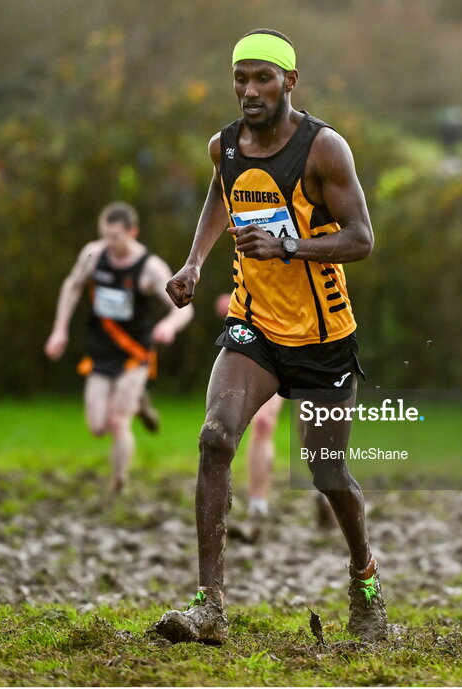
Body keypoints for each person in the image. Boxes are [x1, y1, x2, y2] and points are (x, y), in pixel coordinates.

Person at [153, 29, 386, 644]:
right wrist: (195, 263)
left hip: (323, 338)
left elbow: (362, 239)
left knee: (327, 473)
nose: (249, 90)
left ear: (290, 81)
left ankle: (366, 588)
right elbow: (221, 194)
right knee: (214, 438)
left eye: (262, 78)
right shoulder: (224, 147)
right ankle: (209, 606)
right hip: (254, 327)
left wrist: (289, 246)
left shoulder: (323, 150)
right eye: (240, 78)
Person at [44, 202, 194, 496]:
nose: (109, 243)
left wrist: (169, 326)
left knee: (117, 420)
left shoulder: (150, 267)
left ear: (132, 232)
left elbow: (184, 307)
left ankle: (118, 484)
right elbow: (72, 286)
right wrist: (59, 330)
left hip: (135, 355)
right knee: (98, 426)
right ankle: (140, 403)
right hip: (101, 353)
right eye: (105, 235)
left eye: (116, 237)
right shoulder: (94, 254)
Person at [212, 294, 337, 545]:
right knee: (262, 424)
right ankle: (257, 512)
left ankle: (325, 496)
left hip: (312, 338)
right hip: (268, 340)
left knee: (313, 428)